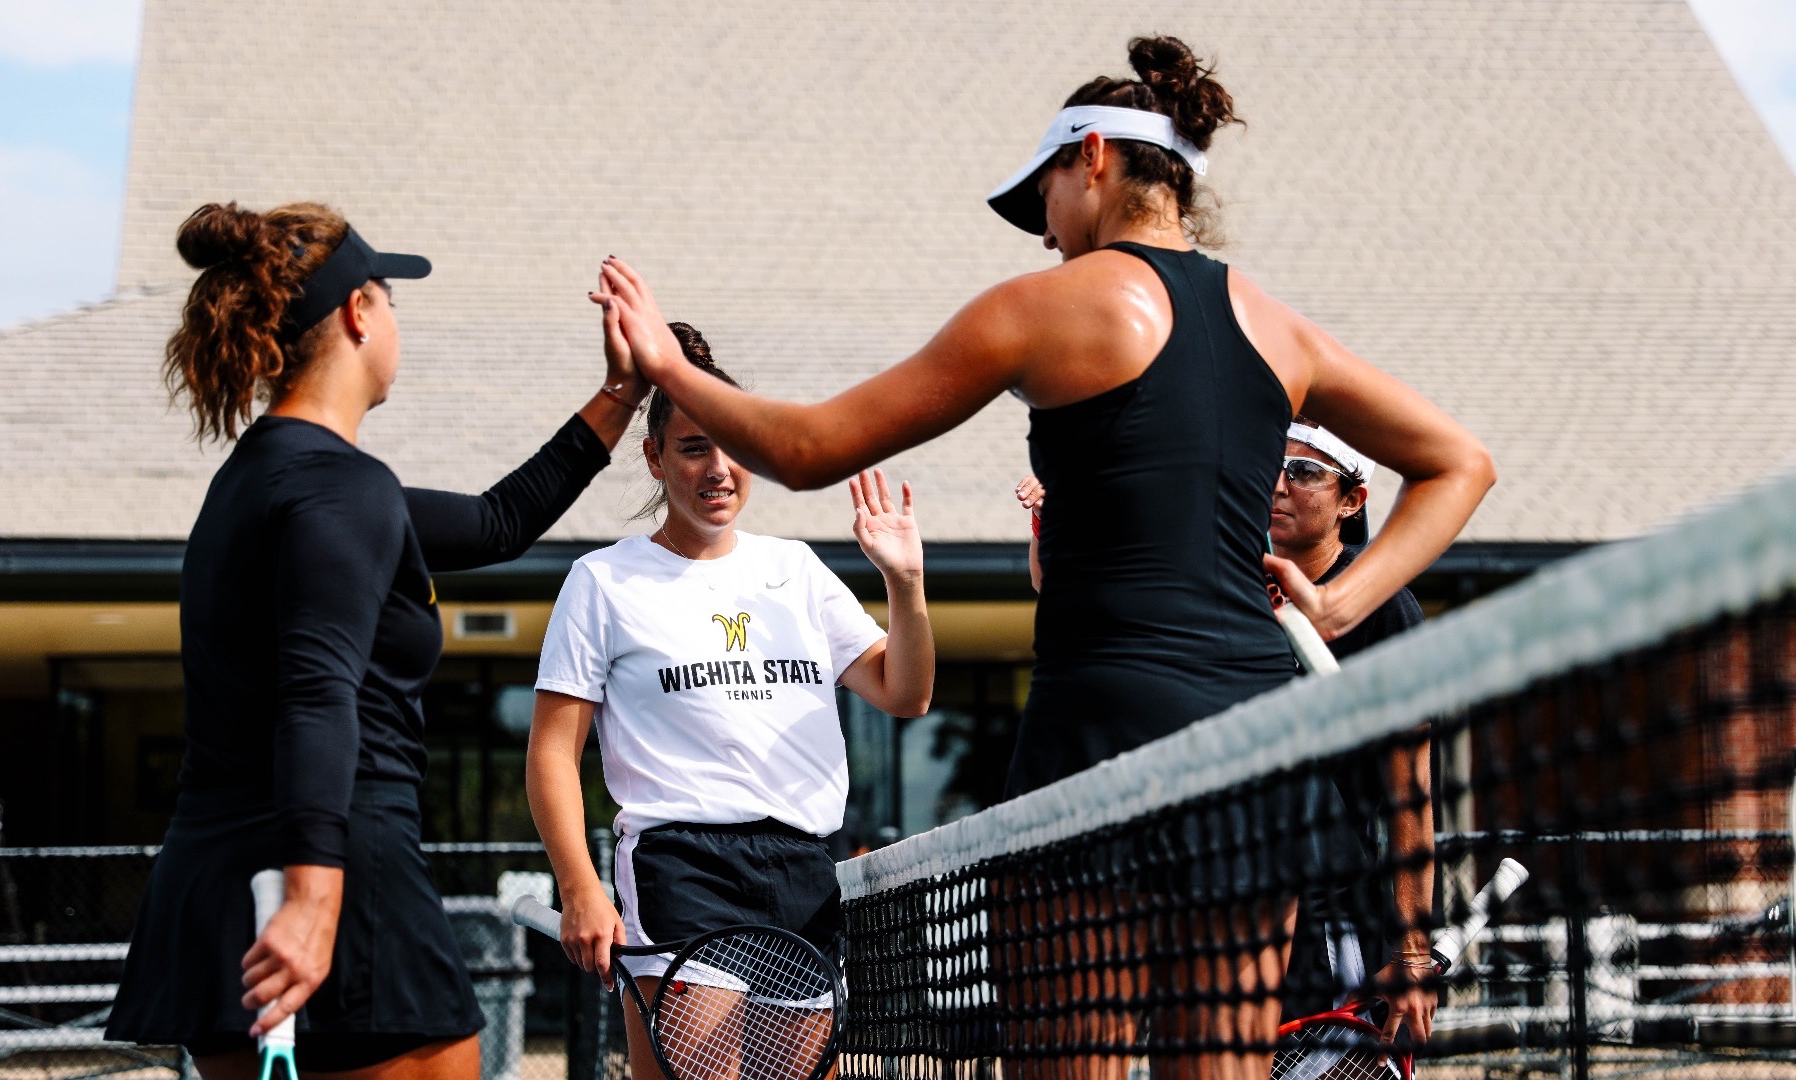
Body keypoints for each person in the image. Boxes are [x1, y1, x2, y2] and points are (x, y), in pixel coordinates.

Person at [590, 33, 1494, 1079]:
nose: (1050, 234)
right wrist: (1339, 607)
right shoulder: (1279, 326)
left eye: (1049, 199)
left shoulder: (1042, 308)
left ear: (1094, 159)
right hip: (1255, 745)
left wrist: (663, 363)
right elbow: (1460, 463)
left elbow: (806, 448)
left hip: (1097, 749)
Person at [105, 202, 649, 1080]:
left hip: (214, 881)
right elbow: (316, 691)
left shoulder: (258, 483)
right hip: (332, 879)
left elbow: (495, 522)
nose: (397, 321)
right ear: (360, 312)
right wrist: (315, 898)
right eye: (390, 299)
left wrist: (624, 391)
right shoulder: (338, 490)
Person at [526, 324, 934, 1080]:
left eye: (735, 448)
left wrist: (905, 584)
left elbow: (905, 693)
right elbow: (552, 751)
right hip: (682, 868)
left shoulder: (798, 570)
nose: (719, 469)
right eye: (693, 449)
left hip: (804, 871)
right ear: (655, 457)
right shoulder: (602, 582)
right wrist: (580, 885)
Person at [1267, 418, 1436, 1045]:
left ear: (1352, 500)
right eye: (1272, 467)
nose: (1279, 485)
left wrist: (1411, 952)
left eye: (1304, 472)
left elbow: (1408, 792)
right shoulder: (1231, 596)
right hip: (1234, 914)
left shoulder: (1384, 608)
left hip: (1338, 921)